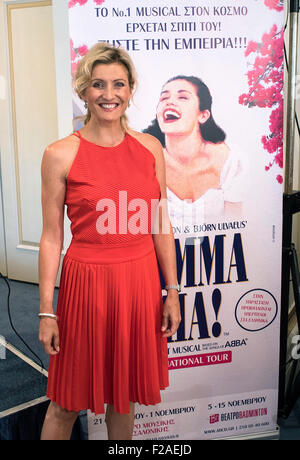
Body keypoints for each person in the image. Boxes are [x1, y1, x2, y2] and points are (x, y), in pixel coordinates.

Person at [38, 43, 181, 441]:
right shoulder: (60, 154)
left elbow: (160, 225)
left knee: (124, 395)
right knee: (66, 402)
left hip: (138, 284)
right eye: (98, 84)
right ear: (83, 90)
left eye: (119, 84)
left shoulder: (151, 147)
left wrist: (172, 290)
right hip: (86, 286)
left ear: (131, 90)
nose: (109, 93)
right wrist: (46, 310)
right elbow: (52, 238)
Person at [144, 76, 245, 227]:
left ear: (203, 115)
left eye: (183, 97)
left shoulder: (231, 162)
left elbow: (237, 229)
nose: (169, 102)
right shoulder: (145, 161)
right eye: (164, 97)